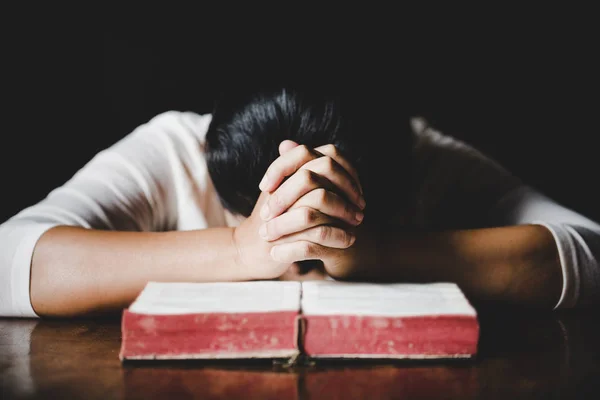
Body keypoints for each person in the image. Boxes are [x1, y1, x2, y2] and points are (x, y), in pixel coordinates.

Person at [0, 85, 598, 318]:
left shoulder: (421, 154)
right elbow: (10, 256)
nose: (299, 262)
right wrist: (242, 248)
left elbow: (588, 248)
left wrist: (373, 252)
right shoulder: (176, 146)